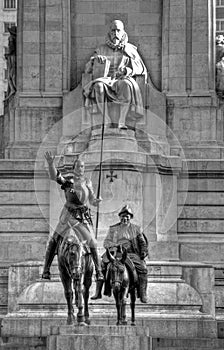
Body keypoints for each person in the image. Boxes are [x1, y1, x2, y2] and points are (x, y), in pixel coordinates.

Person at [42, 151, 103, 282]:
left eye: (83, 167)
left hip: (82, 217)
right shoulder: (68, 181)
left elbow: (91, 199)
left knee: (93, 242)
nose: (81, 169)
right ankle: (46, 270)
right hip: (68, 216)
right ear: (74, 168)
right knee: (54, 240)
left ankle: (98, 271)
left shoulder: (87, 182)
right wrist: (51, 164)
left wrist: (96, 201)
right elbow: (55, 177)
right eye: (79, 166)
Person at [83, 19, 147, 129]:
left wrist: (127, 70)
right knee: (98, 86)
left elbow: (141, 68)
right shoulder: (101, 49)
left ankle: (122, 121)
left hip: (122, 78)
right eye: (113, 31)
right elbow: (87, 69)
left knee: (127, 85)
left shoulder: (130, 49)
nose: (116, 34)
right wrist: (94, 61)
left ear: (123, 33)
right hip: (105, 79)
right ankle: (106, 119)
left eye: (118, 30)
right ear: (109, 33)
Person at [91, 205, 148, 303]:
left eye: (127, 216)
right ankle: (98, 292)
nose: (125, 218)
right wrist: (116, 245)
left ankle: (142, 293)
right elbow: (106, 242)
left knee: (143, 268)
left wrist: (143, 251)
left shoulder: (136, 229)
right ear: (120, 217)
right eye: (123, 216)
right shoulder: (113, 229)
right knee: (102, 265)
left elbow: (142, 243)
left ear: (130, 217)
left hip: (131, 254)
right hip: (115, 253)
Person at [5, 25, 17, 101]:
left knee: (11, 74)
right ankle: (12, 89)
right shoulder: (14, 38)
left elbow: (11, 48)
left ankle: (13, 89)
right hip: (12, 57)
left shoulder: (11, 38)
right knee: (11, 75)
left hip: (12, 58)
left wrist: (8, 54)